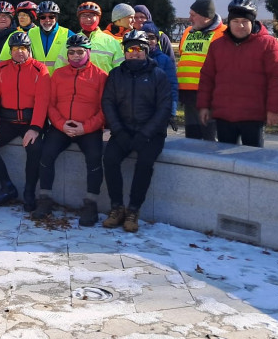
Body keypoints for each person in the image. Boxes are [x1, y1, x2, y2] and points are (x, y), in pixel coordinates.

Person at [101, 30, 172, 233]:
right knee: (110, 159)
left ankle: (133, 209)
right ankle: (117, 207)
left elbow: (164, 108)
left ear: (146, 50)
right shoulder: (116, 75)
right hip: (123, 131)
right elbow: (108, 103)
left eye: (139, 49)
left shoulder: (158, 75)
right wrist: (119, 131)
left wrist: (145, 134)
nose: (134, 53)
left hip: (150, 134)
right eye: (130, 49)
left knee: (145, 162)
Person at [32, 32, 108, 224]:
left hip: (88, 128)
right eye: (72, 52)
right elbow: (50, 104)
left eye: (80, 52)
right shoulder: (58, 74)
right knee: (46, 154)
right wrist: (60, 124)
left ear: (88, 52)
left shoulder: (100, 76)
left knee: (94, 159)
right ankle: (45, 199)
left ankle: (90, 204)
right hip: (62, 126)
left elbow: (104, 109)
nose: (75, 56)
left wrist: (86, 127)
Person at [197, 0, 278, 148]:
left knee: (252, 163)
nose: (240, 25)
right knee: (225, 163)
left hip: (253, 116)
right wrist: (204, 106)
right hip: (224, 115)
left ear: (252, 22)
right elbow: (207, 78)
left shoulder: (268, 44)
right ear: (229, 22)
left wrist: (274, 109)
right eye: (236, 21)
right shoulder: (217, 46)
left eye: (245, 21)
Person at [0, 30, 51, 211]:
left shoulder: (39, 69)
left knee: (35, 148)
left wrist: (35, 128)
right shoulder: (1, 68)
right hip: (7, 120)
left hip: (30, 121)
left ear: (29, 50)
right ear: (10, 50)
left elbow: (43, 101)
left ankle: (29, 191)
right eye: (16, 48)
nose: (20, 51)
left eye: (24, 48)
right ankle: (7, 186)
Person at [176, 0, 226, 141]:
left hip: (209, 94)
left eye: (193, 15)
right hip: (188, 94)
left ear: (205, 17)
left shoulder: (223, 33)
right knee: (191, 136)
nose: (189, 18)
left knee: (209, 135)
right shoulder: (188, 32)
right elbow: (183, 54)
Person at [71, 1, 123, 74]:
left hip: (105, 84)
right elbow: (61, 66)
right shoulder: (71, 40)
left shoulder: (111, 41)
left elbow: (120, 69)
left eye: (91, 16)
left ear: (99, 18)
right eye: (84, 16)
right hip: (78, 84)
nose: (87, 19)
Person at [142, 23, 178, 123]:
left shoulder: (165, 60)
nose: (148, 41)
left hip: (159, 110)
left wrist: (172, 111)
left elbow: (172, 85)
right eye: (145, 37)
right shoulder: (134, 57)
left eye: (152, 37)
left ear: (157, 40)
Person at [29, 1, 70, 74]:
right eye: (43, 17)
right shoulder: (31, 33)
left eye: (51, 17)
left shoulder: (68, 34)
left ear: (56, 18)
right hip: (37, 80)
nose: (47, 20)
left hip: (60, 80)